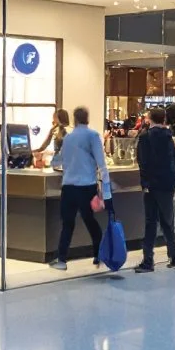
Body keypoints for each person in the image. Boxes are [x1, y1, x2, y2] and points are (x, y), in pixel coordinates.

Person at [51, 106, 111, 270]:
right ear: (87, 118)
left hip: (68, 186)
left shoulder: (68, 138)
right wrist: (106, 189)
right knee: (90, 221)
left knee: (67, 224)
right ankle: (98, 254)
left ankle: (62, 259)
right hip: (86, 186)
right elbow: (101, 163)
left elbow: (56, 162)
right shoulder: (93, 136)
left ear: (75, 119)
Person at [133, 106, 175, 273]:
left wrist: (145, 183)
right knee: (167, 222)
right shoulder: (168, 137)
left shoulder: (145, 137)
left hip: (152, 186)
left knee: (150, 222)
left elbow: (143, 163)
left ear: (149, 119)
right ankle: (174, 255)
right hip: (167, 185)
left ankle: (148, 260)